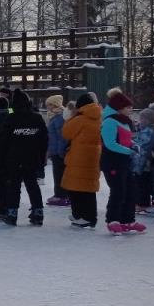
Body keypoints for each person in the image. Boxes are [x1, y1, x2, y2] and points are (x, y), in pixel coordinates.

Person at [0, 89, 48, 227]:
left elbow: (3, 141)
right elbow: (44, 140)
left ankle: (12, 213)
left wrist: (1, 159)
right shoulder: (37, 118)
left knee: (14, 186)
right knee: (32, 185)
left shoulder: (11, 118)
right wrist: (42, 158)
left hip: (13, 159)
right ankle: (38, 212)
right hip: (32, 158)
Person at [102, 89, 143, 234]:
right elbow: (110, 143)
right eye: (128, 107)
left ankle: (128, 220)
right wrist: (129, 151)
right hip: (113, 162)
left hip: (125, 161)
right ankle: (113, 220)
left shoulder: (124, 122)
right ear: (119, 108)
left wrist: (133, 144)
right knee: (118, 191)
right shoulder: (109, 122)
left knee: (131, 191)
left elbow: (126, 139)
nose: (131, 110)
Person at [61, 93, 102, 229]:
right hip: (93, 156)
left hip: (79, 157)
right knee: (88, 189)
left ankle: (80, 216)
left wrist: (70, 117)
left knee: (76, 188)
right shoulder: (98, 117)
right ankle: (91, 216)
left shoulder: (80, 119)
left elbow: (66, 133)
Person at [44, 94, 70, 207]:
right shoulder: (55, 116)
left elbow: (62, 137)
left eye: (49, 104)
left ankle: (61, 195)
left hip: (58, 152)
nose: (47, 107)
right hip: (55, 150)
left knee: (59, 174)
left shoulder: (59, 117)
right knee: (58, 173)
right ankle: (61, 194)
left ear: (54, 105)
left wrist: (60, 152)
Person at [133, 105, 154, 215]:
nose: (140, 120)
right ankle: (143, 203)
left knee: (142, 183)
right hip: (144, 161)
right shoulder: (143, 129)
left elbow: (142, 146)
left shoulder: (148, 131)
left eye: (143, 119)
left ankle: (142, 204)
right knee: (144, 183)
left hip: (144, 162)